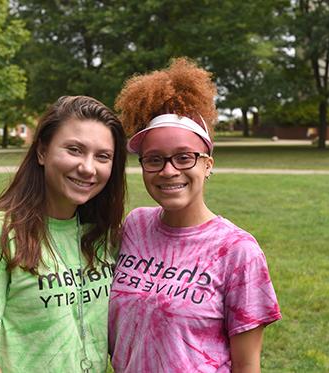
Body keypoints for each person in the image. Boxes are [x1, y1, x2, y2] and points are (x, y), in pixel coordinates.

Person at [108, 58, 281, 373]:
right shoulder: (135, 226)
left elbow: (246, 366)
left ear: (208, 164)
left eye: (184, 157)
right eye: (154, 159)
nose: (168, 170)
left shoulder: (238, 251)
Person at [0, 96, 127, 373]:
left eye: (102, 156)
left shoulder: (103, 236)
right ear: (42, 152)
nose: (88, 167)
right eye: (75, 149)